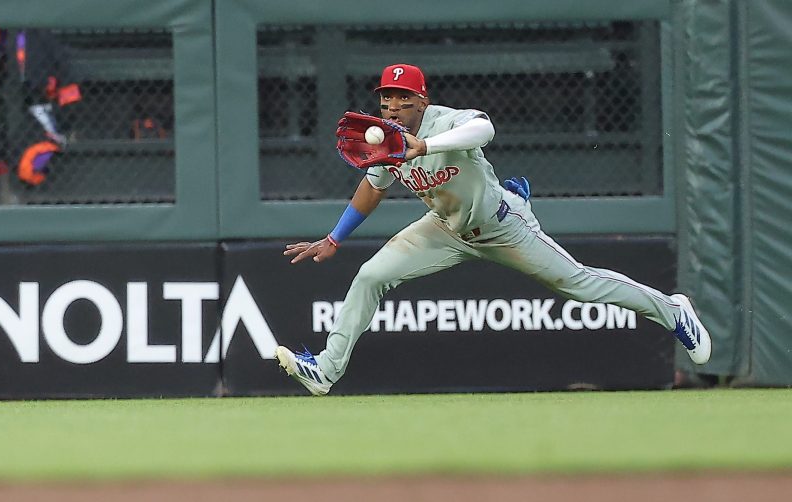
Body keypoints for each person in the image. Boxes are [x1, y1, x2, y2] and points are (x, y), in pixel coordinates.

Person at [277, 63, 711, 396]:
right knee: (370, 276)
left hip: (502, 226)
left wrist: (425, 146)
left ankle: (673, 311)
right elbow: (372, 189)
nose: (392, 107)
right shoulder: (387, 140)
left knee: (578, 283)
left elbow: (484, 128)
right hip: (445, 229)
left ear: (422, 102)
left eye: (403, 98)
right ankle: (325, 370)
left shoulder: (445, 122)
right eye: (386, 98)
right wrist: (334, 238)